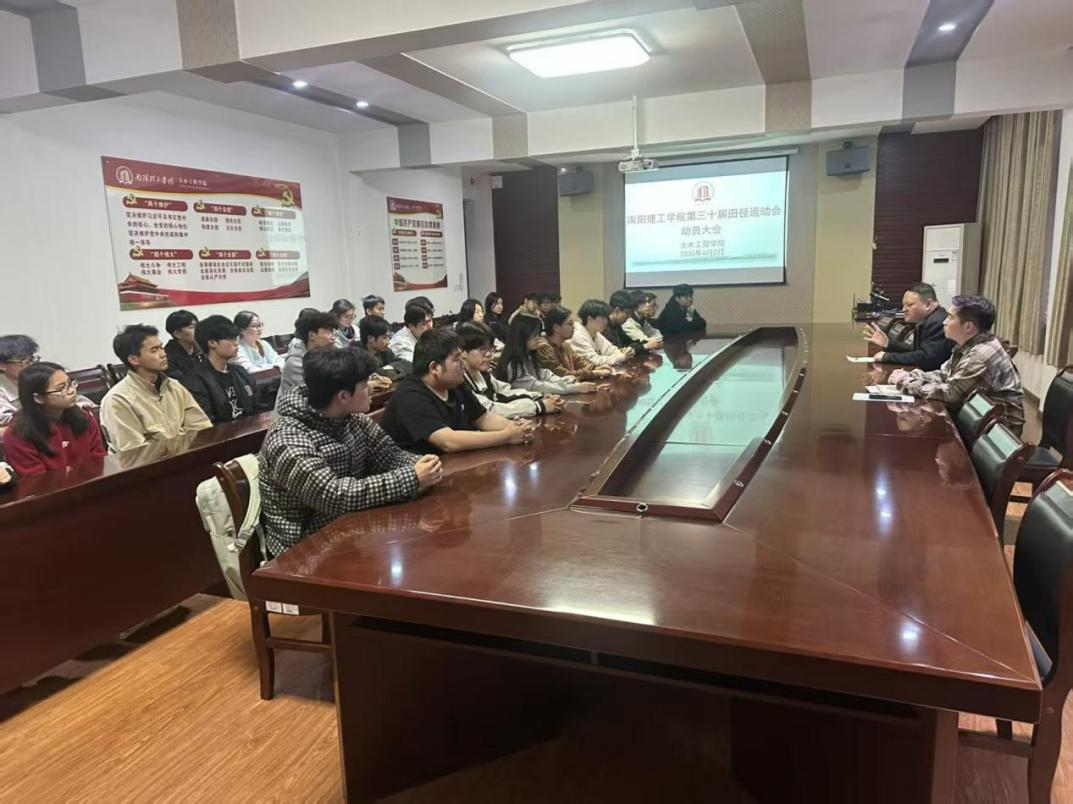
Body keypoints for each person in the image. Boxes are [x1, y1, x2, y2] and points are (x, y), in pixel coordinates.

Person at [259, 347, 443, 556]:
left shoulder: (353, 420)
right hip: (303, 551)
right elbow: (333, 495)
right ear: (344, 396)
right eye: (365, 385)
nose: (371, 389)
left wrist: (425, 466)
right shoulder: (287, 440)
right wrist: (411, 477)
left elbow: (390, 456)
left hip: (352, 530)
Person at [380, 328, 534, 454]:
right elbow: (449, 442)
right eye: (456, 359)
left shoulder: (455, 384)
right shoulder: (411, 396)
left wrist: (515, 428)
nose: (463, 364)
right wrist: (506, 436)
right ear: (434, 368)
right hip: (420, 475)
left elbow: (483, 418)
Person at [890, 295, 1025, 434]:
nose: (944, 322)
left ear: (968, 326)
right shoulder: (969, 345)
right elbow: (944, 375)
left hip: (997, 434)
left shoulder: (980, 355)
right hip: (979, 421)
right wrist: (913, 376)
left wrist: (906, 382)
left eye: (950, 317)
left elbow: (951, 395)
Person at [99, 324, 212, 451]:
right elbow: (134, 452)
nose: (163, 354)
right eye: (154, 350)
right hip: (153, 463)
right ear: (134, 359)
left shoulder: (174, 386)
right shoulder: (118, 399)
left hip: (189, 456)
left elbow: (201, 427)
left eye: (161, 347)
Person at [3, 361, 107, 476]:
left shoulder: (85, 418)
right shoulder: (18, 435)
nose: (71, 391)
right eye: (61, 388)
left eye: (70, 384)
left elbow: (99, 462)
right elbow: (36, 481)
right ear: (38, 398)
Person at [457, 322, 564, 418]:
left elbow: (505, 391)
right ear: (463, 351)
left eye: (490, 348)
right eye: (482, 349)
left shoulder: (482, 373)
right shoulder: (459, 380)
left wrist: (538, 397)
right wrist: (539, 406)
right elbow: (488, 410)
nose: (489, 354)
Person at [181, 316, 269, 423]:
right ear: (212, 343)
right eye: (231, 339)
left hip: (252, 428)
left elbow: (258, 406)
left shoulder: (240, 372)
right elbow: (206, 422)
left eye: (236, 338)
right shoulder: (196, 381)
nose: (236, 343)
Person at [496, 314, 597, 395]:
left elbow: (544, 375)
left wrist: (568, 381)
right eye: (534, 335)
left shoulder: (528, 356)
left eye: (538, 334)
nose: (538, 338)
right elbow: (538, 386)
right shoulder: (513, 364)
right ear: (522, 335)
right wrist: (574, 388)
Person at [865, 283, 954, 371]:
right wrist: (887, 344)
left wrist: (888, 357)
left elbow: (926, 358)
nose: (904, 309)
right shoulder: (927, 320)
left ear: (928, 304)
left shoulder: (938, 322)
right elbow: (915, 353)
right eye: (903, 305)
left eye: (910, 305)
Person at [535, 307, 613, 380]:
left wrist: (595, 368)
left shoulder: (565, 344)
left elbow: (579, 361)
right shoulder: (544, 347)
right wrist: (594, 373)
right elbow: (562, 375)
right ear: (556, 327)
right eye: (570, 324)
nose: (574, 327)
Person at [279, 311, 337, 401]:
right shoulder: (296, 362)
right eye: (328, 332)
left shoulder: (329, 352)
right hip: (297, 406)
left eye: (333, 331)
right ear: (311, 335)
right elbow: (315, 392)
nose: (333, 337)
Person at [569, 299, 631, 367]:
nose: (606, 321)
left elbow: (611, 350)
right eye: (603, 318)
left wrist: (623, 354)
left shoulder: (596, 333)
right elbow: (594, 361)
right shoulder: (577, 335)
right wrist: (622, 357)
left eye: (606, 318)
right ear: (590, 319)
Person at [0, 334, 39, 428]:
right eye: (24, 361)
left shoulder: (38, 379)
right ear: (2, 366)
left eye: (32, 359)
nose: (31, 365)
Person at [606, 289, 661, 355]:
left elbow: (629, 343)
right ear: (617, 311)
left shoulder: (617, 325)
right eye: (627, 313)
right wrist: (645, 346)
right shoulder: (604, 328)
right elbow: (613, 352)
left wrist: (646, 344)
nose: (629, 316)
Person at [163, 309, 203, 380]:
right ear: (177, 334)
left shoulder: (202, 350)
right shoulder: (168, 358)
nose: (198, 330)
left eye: (197, 326)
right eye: (192, 327)